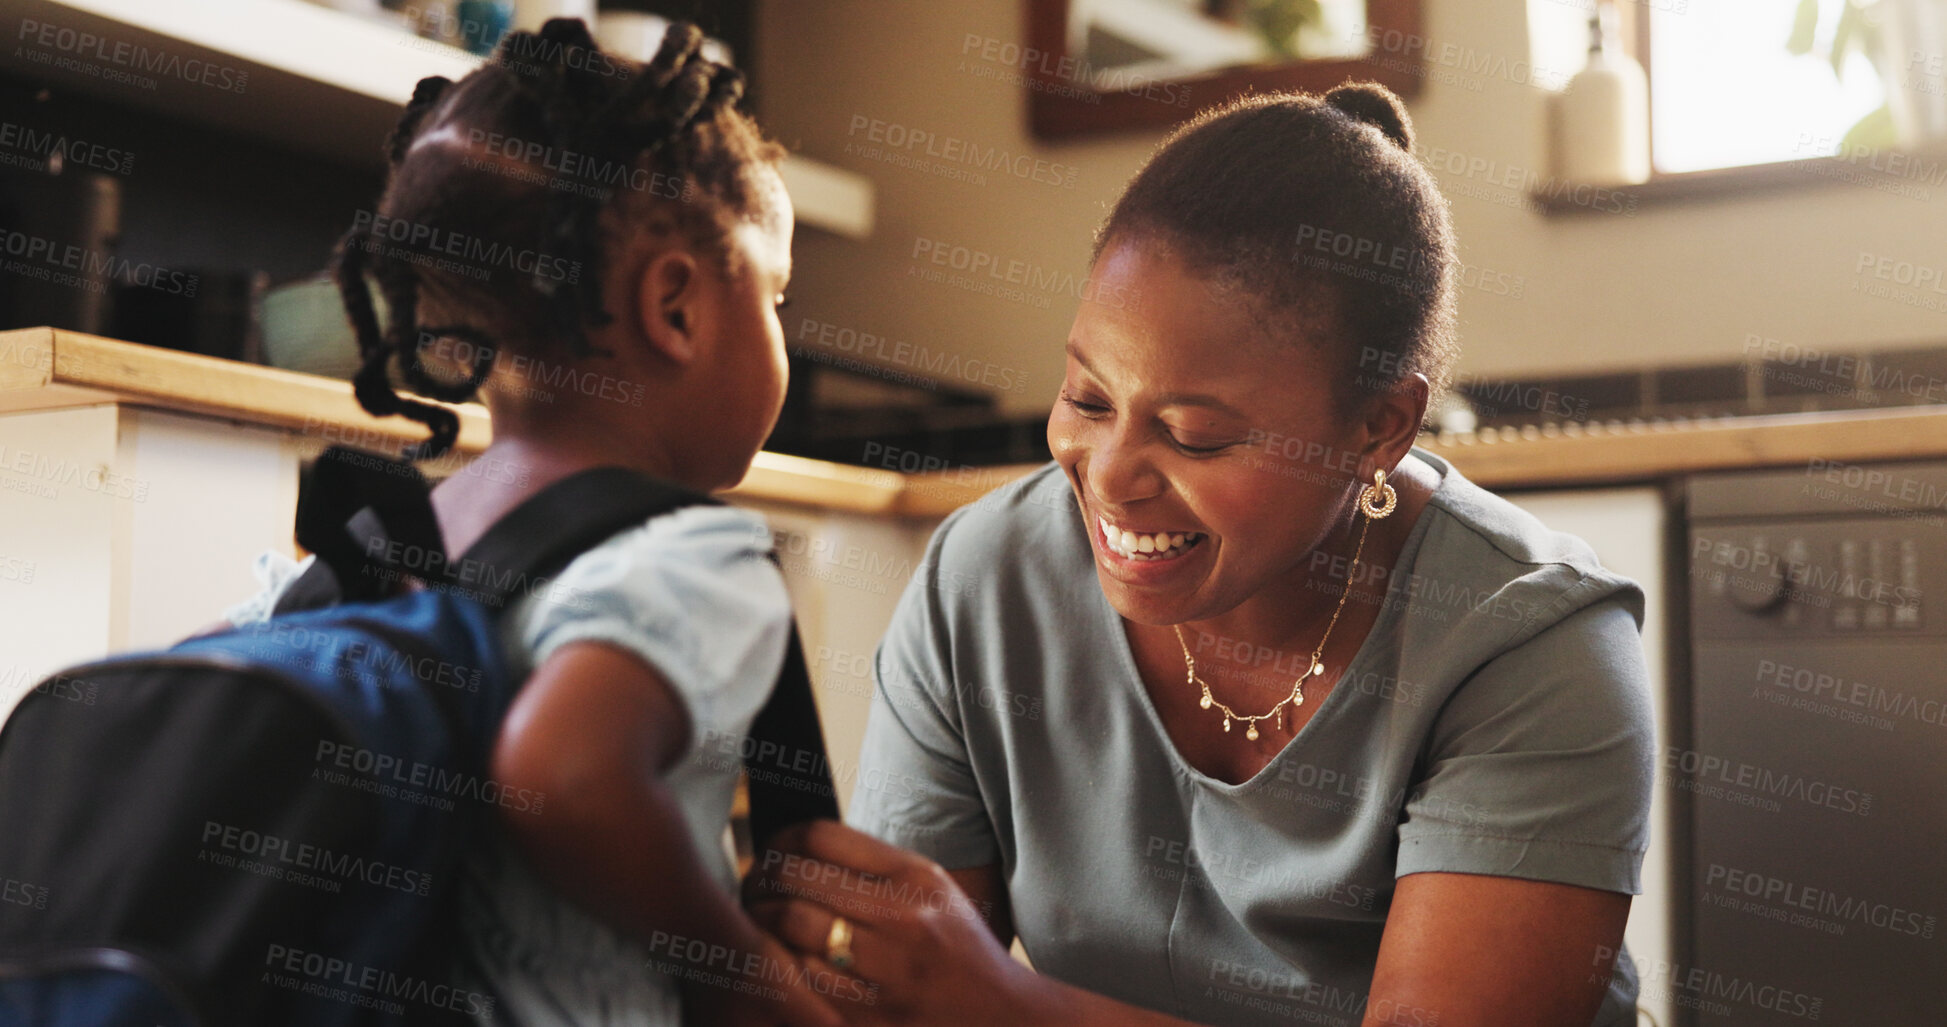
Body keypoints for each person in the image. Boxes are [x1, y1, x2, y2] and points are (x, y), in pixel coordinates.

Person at [747, 83, 1655, 1026]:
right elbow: (894, 1001)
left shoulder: (1531, 652)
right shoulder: (979, 586)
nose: (1109, 477)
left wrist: (998, 1000)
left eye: (1194, 435)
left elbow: (955, 995)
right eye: (1088, 400)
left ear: (1378, 428)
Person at [220, 20, 839, 1027]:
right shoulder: (688, 551)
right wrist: (753, 982)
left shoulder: (351, 560)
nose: (779, 330)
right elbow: (565, 770)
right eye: (773, 293)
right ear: (675, 305)